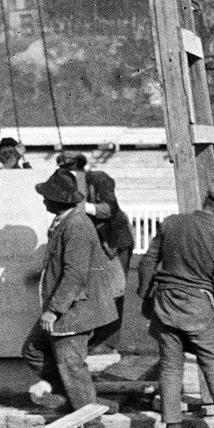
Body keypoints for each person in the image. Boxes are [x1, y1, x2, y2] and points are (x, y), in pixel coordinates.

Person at [138, 184, 214, 428]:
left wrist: (145, 296)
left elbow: (147, 262)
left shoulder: (171, 224)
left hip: (165, 302)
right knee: (213, 366)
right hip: (199, 307)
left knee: (170, 367)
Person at [22, 168, 118, 415]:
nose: (43, 199)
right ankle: (75, 402)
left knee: (71, 365)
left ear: (57, 200)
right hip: (70, 306)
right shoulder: (65, 221)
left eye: (47, 196)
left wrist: (54, 310)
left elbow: (75, 274)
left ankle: (89, 422)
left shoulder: (76, 226)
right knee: (34, 350)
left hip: (76, 310)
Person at [56, 151, 135, 352]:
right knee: (93, 289)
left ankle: (108, 342)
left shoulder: (99, 179)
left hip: (114, 240)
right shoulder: (65, 183)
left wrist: (81, 207)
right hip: (93, 240)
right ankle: (95, 336)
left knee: (115, 290)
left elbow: (109, 209)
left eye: (70, 168)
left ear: (79, 167)